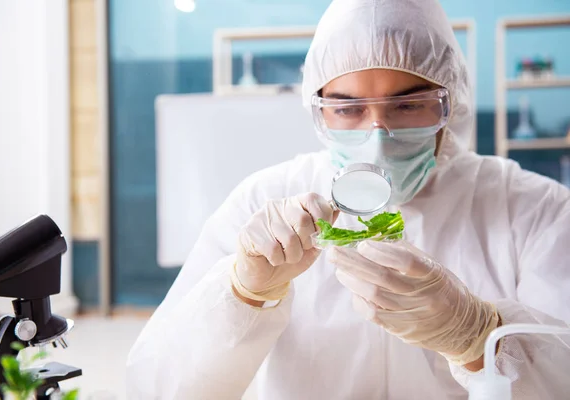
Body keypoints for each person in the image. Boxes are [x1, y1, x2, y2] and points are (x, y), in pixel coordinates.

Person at [127, 0, 570, 398]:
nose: (376, 135)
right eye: (347, 109)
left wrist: (478, 337)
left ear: (449, 102)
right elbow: (158, 388)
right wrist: (244, 294)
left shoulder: (533, 210)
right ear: (317, 110)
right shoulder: (263, 202)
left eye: (408, 104)